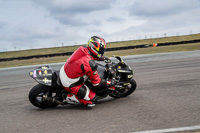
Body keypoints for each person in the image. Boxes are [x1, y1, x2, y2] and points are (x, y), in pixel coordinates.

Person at [59, 36, 115, 107]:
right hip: (70, 83)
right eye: (101, 49)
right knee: (93, 99)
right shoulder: (90, 64)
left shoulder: (82, 49)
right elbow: (96, 83)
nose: (102, 51)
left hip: (65, 70)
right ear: (96, 49)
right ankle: (68, 97)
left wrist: (102, 58)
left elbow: (91, 56)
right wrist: (109, 82)